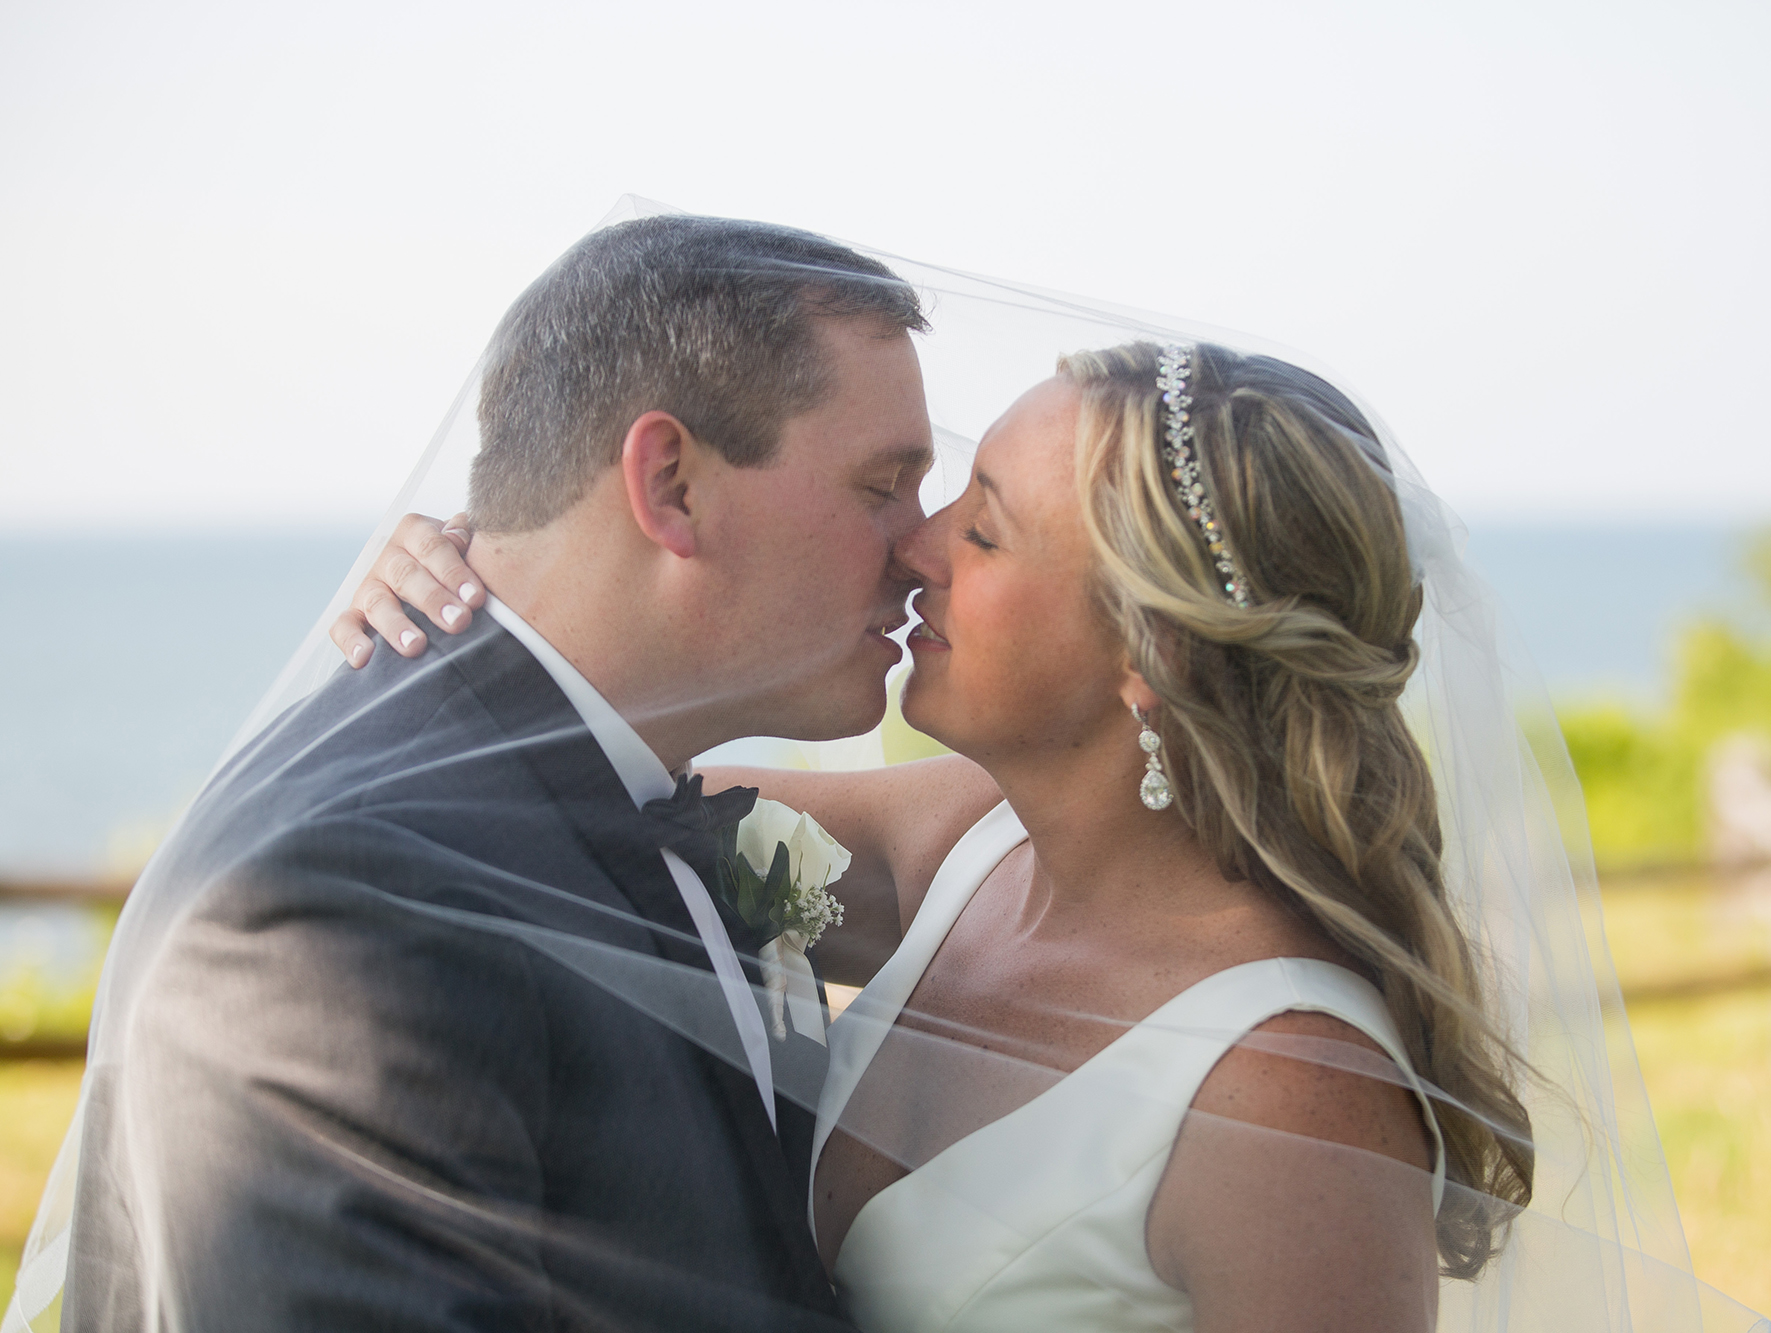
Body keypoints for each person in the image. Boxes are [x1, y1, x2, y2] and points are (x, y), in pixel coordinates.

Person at [341, 341, 1535, 1331]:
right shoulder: (969, 846)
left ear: (1151, 653)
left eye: (984, 529)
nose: (915, 546)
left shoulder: (1285, 1099)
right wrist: (472, 599)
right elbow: (589, 787)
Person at [36, 213, 990, 1331]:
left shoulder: (623, 794)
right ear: (670, 484)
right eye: (884, 484)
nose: (924, 547)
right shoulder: (342, 916)